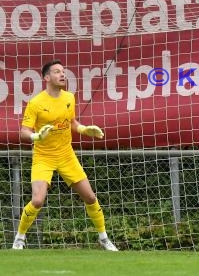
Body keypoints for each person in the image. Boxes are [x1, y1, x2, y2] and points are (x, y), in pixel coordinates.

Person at [12, 59, 119, 251]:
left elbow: (72, 122)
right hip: (43, 157)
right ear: (46, 77)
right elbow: (23, 131)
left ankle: (103, 238)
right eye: (56, 72)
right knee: (37, 200)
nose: (62, 75)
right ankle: (19, 239)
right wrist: (36, 136)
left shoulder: (69, 97)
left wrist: (85, 129)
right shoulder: (36, 103)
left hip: (66, 155)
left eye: (63, 71)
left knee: (91, 197)